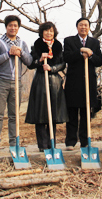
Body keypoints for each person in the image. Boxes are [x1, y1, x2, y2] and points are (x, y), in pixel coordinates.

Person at [0, 15, 32, 155]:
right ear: (6, 27)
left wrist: (21, 53)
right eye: (10, 25)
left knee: (14, 115)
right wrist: (8, 53)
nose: (13, 28)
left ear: (18, 28)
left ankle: (14, 142)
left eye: (15, 26)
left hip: (17, 82)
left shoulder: (22, 43)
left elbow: (29, 61)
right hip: (1, 82)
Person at [25, 22, 68, 152]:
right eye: (46, 31)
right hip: (40, 82)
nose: (49, 33)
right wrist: (39, 60)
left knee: (52, 114)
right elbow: (30, 64)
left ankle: (52, 143)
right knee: (40, 114)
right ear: (41, 32)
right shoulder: (36, 46)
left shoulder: (58, 46)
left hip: (55, 82)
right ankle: (42, 145)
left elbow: (63, 64)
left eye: (51, 31)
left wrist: (52, 68)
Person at [63, 17, 102, 150]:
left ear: (89, 28)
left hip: (89, 82)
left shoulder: (94, 42)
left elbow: (99, 61)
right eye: (81, 25)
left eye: (86, 25)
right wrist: (80, 51)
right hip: (74, 82)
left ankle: (85, 141)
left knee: (86, 113)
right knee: (72, 113)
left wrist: (90, 54)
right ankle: (70, 141)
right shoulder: (69, 41)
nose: (83, 27)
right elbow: (67, 57)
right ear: (77, 27)